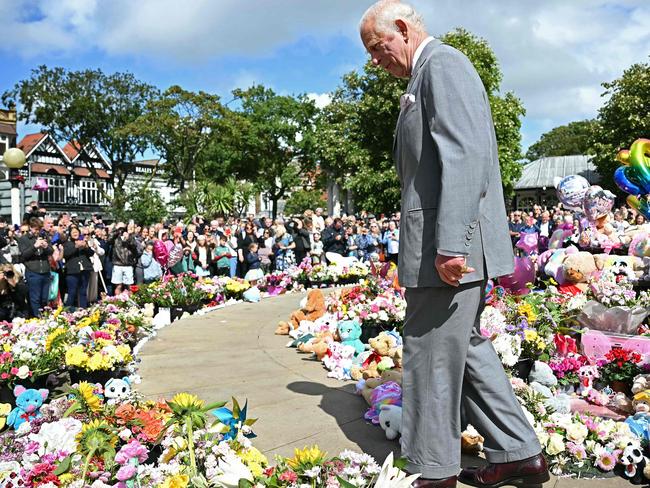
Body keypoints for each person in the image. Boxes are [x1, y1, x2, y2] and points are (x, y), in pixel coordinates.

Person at [359, 3, 547, 488]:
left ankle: (435, 467)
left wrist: (451, 245)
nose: (377, 62)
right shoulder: (425, 74)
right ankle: (519, 452)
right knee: (461, 348)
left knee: (428, 352)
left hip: (446, 247)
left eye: (378, 49)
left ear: (402, 29)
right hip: (442, 243)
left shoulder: (441, 65)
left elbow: (466, 155)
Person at [18, 218, 54, 317]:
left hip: (45, 271)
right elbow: (23, 255)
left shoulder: (44, 236)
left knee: (44, 298)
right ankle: (37, 318)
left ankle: (44, 317)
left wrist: (46, 247)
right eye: (35, 229)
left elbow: (51, 251)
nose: (37, 232)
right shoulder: (24, 239)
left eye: (39, 229)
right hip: (33, 272)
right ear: (30, 228)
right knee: (35, 298)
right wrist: (35, 246)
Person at [63, 226, 94, 309]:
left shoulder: (84, 241)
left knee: (83, 292)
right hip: (72, 272)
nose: (75, 233)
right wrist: (76, 247)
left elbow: (91, 253)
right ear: (70, 234)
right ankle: (68, 311)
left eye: (76, 232)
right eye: (73, 232)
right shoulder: (67, 243)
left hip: (85, 270)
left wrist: (86, 247)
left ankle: (83, 310)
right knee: (72, 292)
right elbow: (65, 254)